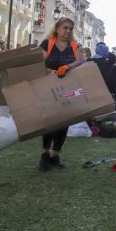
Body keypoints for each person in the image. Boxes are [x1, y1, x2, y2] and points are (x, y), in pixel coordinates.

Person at [38, 17, 85, 172]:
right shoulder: (48, 44)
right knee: (50, 122)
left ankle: (55, 155)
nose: (68, 31)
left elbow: (82, 60)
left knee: (64, 123)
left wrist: (68, 66)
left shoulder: (74, 45)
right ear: (57, 28)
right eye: (65, 28)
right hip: (49, 88)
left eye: (70, 29)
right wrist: (49, 71)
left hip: (67, 89)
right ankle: (45, 155)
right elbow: (38, 63)